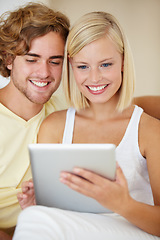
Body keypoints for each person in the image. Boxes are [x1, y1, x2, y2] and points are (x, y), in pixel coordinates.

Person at [13, 11, 160, 240]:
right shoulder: (55, 126)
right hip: (76, 231)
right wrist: (38, 205)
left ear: (123, 62)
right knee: (32, 217)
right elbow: (57, 214)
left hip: (136, 232)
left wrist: (122, 204)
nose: (94, 78)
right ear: (71, 66)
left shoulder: (149, 131)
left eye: (105, 64)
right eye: (83, 66)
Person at [0, 2, 70, 239]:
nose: (44, 73)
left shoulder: (63, 111)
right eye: (32, 59)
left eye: (55, 61)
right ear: (9, 59)